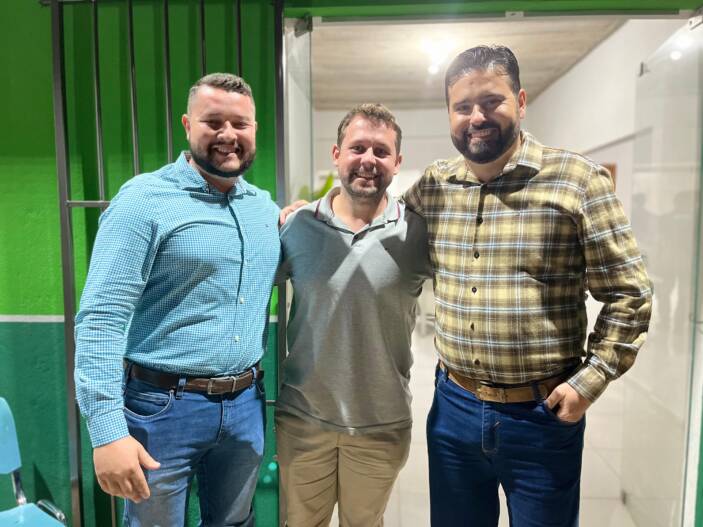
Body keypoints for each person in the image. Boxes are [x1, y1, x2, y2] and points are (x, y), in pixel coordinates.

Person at [402, 45, 653, 526]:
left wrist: (590, 381)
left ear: (520, 101)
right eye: (462, 106)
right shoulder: (435, 185)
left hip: (542, 415)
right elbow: (380, 227)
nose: (477, 117)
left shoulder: (576, 180)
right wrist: (314, 213)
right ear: (449, 113)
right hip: (453, 409)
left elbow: (629, 293)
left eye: (491, 101)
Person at [74, 73, 280, 527]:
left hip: (246, 405)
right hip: (161, 408)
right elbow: (101, 318)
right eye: (213, 122)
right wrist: (106, 432)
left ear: (255, 129)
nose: (228, 134)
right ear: (188, 125)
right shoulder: (144, 200)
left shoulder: (264, 210)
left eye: (240, 123)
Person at [276, 103, 431, 527]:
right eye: (357, 147)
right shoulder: (298, 225)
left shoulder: (417, 232)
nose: (368, 159)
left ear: (397, 162)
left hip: (381, 424)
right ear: (336, 155)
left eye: (381, 151)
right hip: (303, 421)